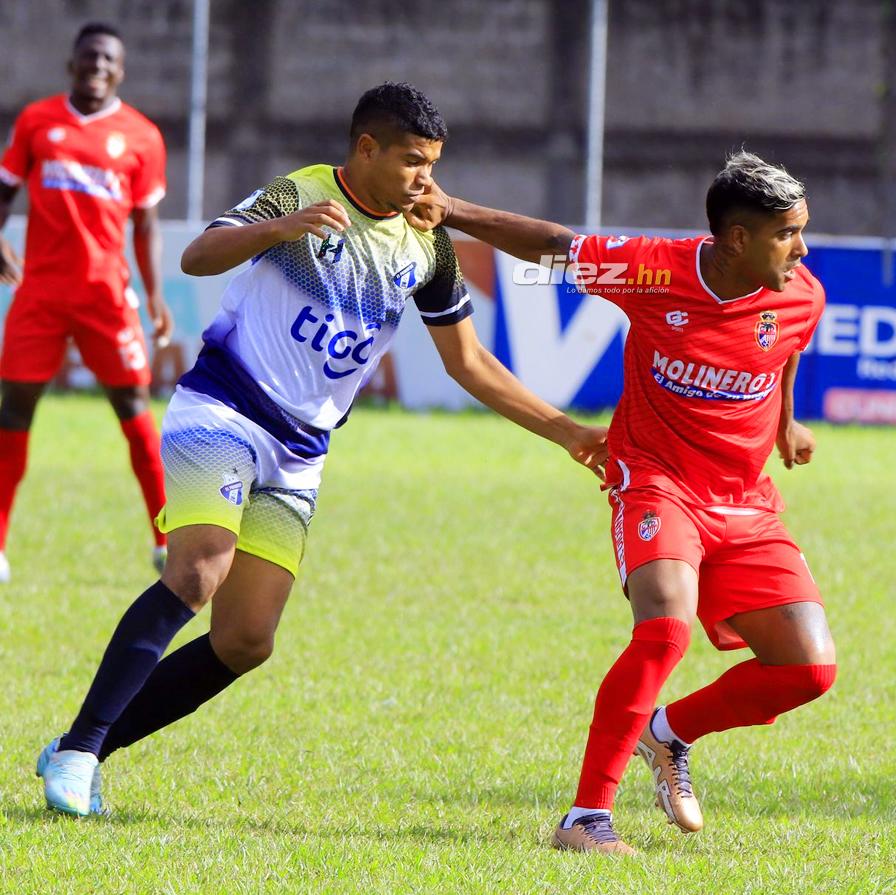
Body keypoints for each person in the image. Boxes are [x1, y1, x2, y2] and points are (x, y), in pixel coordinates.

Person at [36, 81, 608, 816]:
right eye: (411, 162)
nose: (424, 180)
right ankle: (83, 751)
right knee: (198, 569)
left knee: (245, 640)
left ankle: (80, 749)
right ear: (365, 149)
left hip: (300, 451)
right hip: (226, 408)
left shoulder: (427, 241)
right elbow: (201, 256)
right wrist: (279, 230)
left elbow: (469, 362)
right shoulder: (298, 193)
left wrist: (567, 433)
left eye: (432, 164)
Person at [410, 151, 836, 854]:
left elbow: (786, 346)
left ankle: (666, 733)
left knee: (808, 668)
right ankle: (586, 820)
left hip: (743, 500)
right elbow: (556, 249)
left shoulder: (801, 291)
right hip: (656, 480)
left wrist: (786, 419)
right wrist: (453, 211)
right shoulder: (653, 270)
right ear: (736, 238)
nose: (803, 247)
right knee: (665, 629)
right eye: (788, 232)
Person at [0, 22, 173, 581]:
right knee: (12, 413)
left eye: (108, 60)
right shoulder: (37, 121)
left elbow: (146, 227)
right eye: (89, 57)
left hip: (106, 298)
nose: (98, 67)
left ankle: (165, 539)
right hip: (41, 295)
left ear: (120, 71)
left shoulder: (142, 137)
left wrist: (154, 295)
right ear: (71, 64)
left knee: (134, 413)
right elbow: (3, 193)